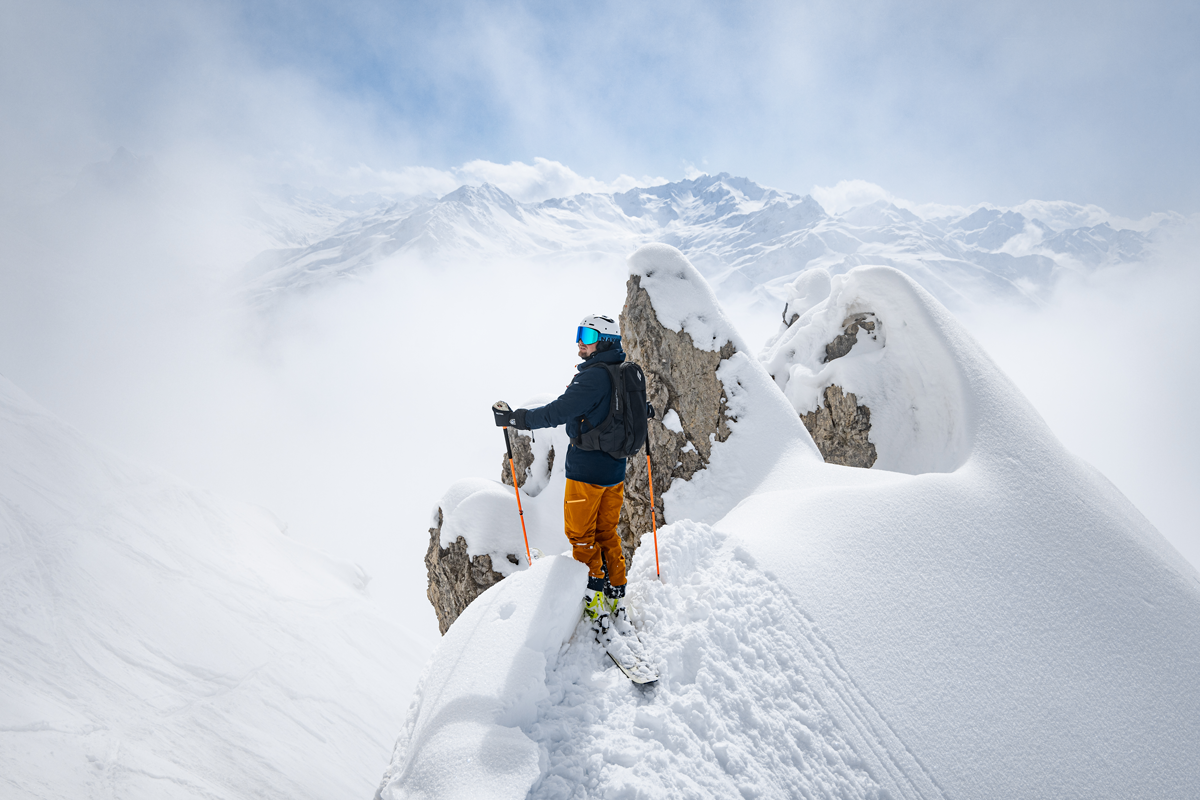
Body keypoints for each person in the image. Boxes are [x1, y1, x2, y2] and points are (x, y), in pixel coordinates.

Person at [501, 314, 630, 635]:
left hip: (587, 473)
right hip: (615, 471)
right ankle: (616, 594)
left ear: (605, 341)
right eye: (580, 334)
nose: (580, 343)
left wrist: (516, 419)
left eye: (588, 336)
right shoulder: (624, 372)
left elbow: (557, 411)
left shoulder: (593, 377)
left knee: (581, 536)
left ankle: (594, 598)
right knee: (606, 533)